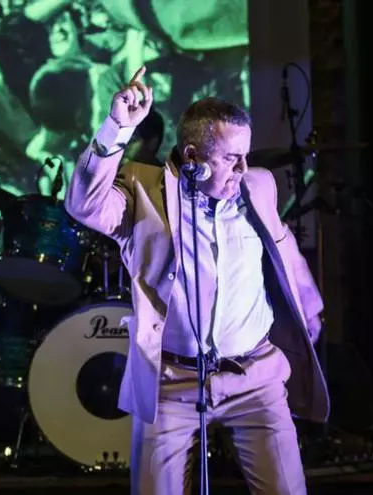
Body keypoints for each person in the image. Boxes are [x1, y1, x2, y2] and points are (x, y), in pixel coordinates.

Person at [64, 67, 328, 494]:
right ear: (192, 156)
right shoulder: (143, 190)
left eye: (246, 155)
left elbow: (283, 247)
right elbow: (84, 205)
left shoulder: (258, 186)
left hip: (255, 377)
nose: (243, 167)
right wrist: (116, 128)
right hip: (171, 384)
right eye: (231, 157)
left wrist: (309, 308)